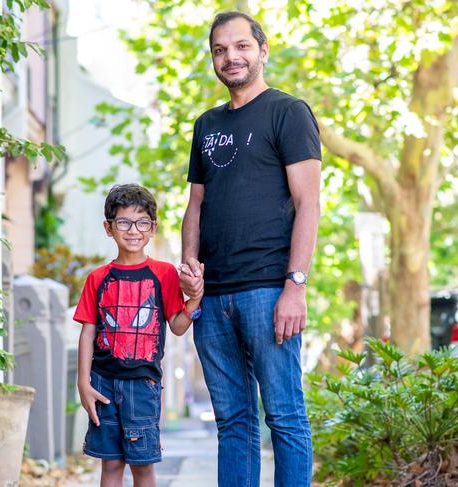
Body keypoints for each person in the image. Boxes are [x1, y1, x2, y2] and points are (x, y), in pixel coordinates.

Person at [179, 10, 322, 487]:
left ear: (262, 51)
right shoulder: (206, 123)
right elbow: (195, 206)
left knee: (284, 416)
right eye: (220, 50)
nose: (230, 57)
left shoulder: (288, 112)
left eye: (241, 46)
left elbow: (308, 204)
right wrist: (190, 276)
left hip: (268, 290)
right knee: (233, 424)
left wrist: (295, 285)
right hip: (213, 298)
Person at [74, 184, 203, 487]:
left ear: (153, 228)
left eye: (142, 222)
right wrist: (83, 382)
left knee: (143, 467)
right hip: (102, 382)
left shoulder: (165, 274)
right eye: (123, 222)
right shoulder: (97, 278)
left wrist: (195, 301)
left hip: (142, 386)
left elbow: (178, 325)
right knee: (111, 465)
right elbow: (88, 330)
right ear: (109, 228)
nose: (133, 230)